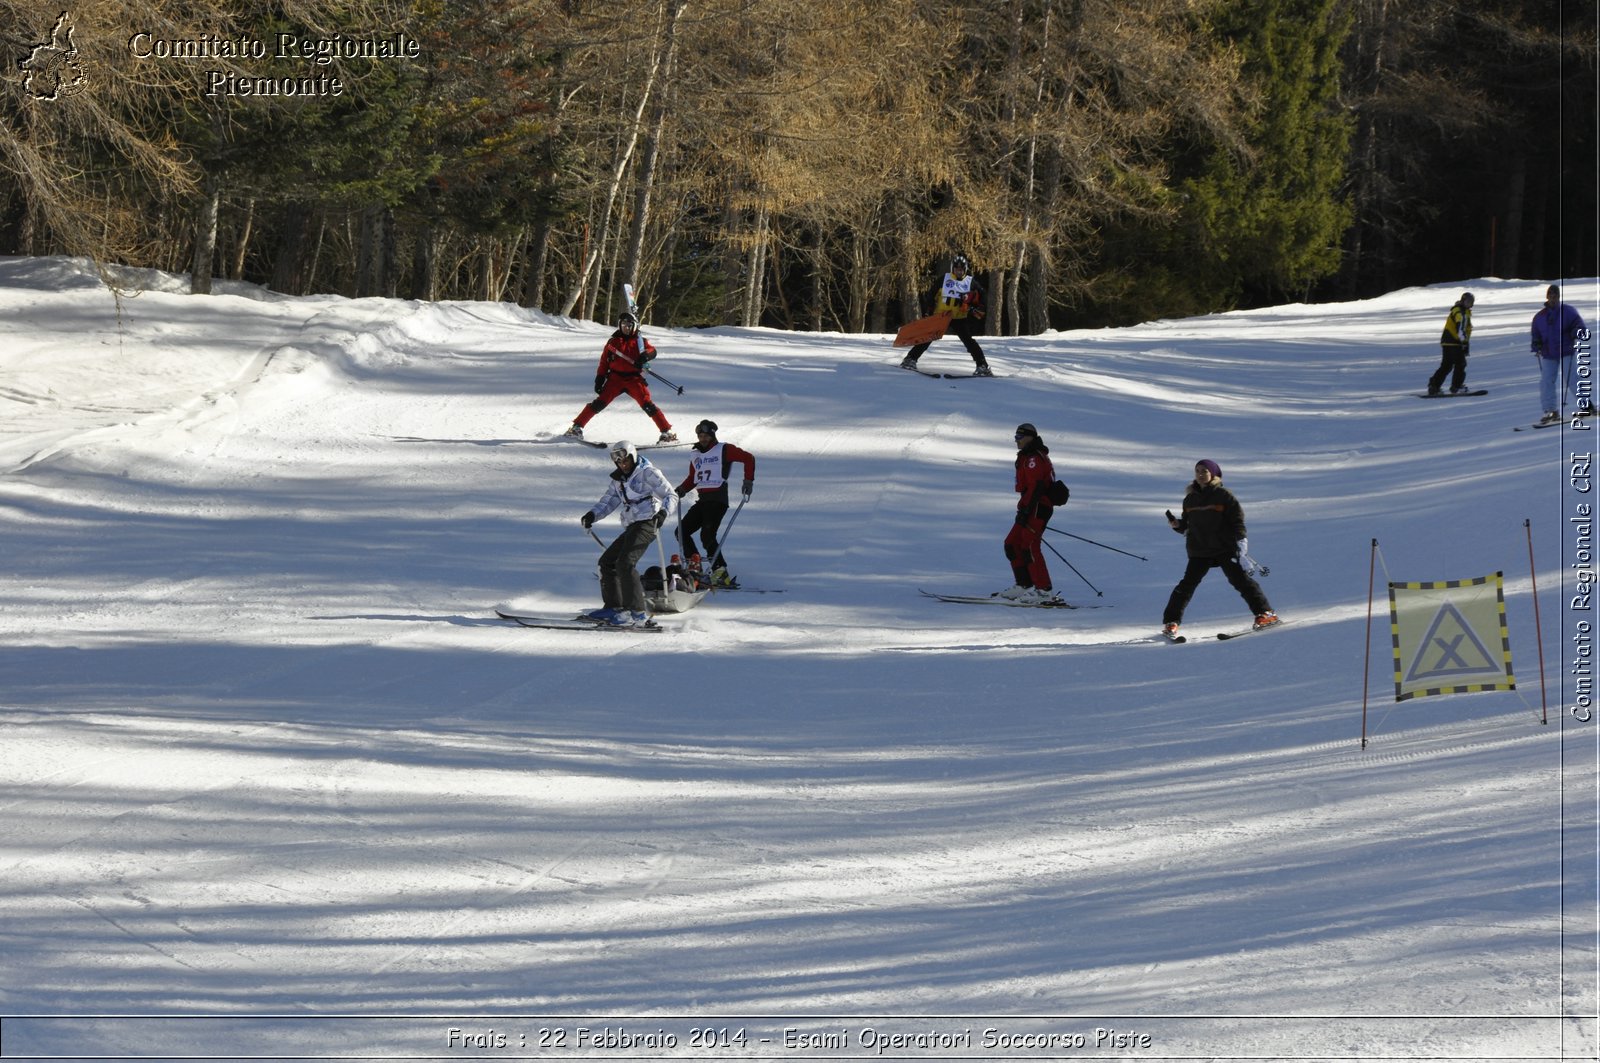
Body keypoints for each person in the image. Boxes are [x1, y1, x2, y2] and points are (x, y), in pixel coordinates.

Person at [1161, 459, 1278, 638]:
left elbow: (1237, 521)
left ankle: (1266, 614)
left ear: (1214, 474)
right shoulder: (1190, 499)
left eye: (1204, 471)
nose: (1200, 474)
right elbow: (1187, 525)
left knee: (1241, 581)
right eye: (1197, 471)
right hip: (1199, 549)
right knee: (1186, 586)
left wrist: (1241, 542)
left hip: (1224, 547)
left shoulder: (1224, 496)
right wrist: (1177, 525)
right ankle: (1171, 622)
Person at [579, 440, 677, 627]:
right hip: (632, 524)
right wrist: (592, 515)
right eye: (619, 462)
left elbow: (671, 495)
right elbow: (608, 502)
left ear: (633, 457)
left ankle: (637, 613)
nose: (623, 465)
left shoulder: (648, 473)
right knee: (607, 562)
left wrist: (663, 513)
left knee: (625, 562)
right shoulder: (618, 480)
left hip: (648, 522)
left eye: (626, 461)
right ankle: (614, 607)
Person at [566, 312, 677, 444]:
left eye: (629, 325)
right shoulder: (613, 342)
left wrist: (645, 356)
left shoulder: (640, 341)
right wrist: (600, 378)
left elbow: (652, 351)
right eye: (623, 324)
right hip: (615, 379)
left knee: (648, 405)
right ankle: (576, 427)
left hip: (634, 380)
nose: (626, 327)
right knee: (599, 403)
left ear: (634, 326)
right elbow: (604, 362)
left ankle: (667, 432)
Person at [675, 419, 756, 588]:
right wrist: (683, 488)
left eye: (706, 436)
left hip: (717, 500)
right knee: (681, 531)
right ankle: (695, 565)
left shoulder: (724, 450)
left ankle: (721, 574)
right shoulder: (696, 453)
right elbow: (693, 478)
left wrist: (748, 480)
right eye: (700, 436)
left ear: (712, 435)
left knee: (707, 535)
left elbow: (748, 458)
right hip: (703, 500)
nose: (703, 439)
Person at [899, 254, 993, 376]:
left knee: (969, 341)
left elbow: (982, 296)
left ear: (965, 269)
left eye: (961, 269)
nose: (959, 271)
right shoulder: (944, 279)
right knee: (928, 337)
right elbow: (931, 294)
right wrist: (928, 310)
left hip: (959, 317)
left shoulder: (970, 282)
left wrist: (975, 307)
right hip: (942, 316)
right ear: (952, 268)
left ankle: (982, 366)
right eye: (956, 269)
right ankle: (910, 359)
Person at [999, 423, 1061, 604]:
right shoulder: (1027, 456)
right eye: (1015, 437)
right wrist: (1023, 509)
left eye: (1019, 437)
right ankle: (1023, 585)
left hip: (1037, 506)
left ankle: (1044, 591)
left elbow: (1037, 487)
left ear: (1029, 437)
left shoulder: (1034, 458)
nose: (1016, 441)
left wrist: (1026, 510)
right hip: (1028, 506)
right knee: (1011, 543)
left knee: (1030, 546)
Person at [1531, 284, 1591, 424]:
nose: (1553, 298)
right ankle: (1550, 411)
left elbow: (1580, 326)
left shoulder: (1568, 312)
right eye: (1550, 296)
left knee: (1572, 379)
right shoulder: (1539, 317)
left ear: (1559, 297)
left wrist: (1575, 332)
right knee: (1546, 381)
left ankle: (1586, 406)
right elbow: (1535, 334)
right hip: (1548, 353)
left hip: (1566, 350)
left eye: (1555, 296)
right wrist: (1536, 344)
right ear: (1547, 297)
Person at [1426, 292, 1474, 395]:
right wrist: (1464, 342)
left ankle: (1434, 386)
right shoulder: (1460, 312)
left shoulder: (1461, 311)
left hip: (1448, 342)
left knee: (1447, 365)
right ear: (1462, 301)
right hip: (1454, 342)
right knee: (1460, 364)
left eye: (1471, 302)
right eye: (1467, 301)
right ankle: (1456, 387)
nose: (1469, 304)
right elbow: (1460, 329)